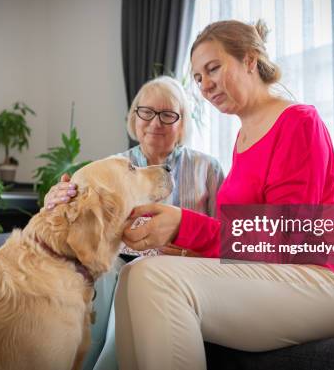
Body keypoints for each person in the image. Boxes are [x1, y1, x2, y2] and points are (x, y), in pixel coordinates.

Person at [115, 20, 334, 370]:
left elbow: (289, 238)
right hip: (285, 275)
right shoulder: (242, 139)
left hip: (333, 279)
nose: (205, 85)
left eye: (213, 68)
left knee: (156, 279)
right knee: (133, 275)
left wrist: (184, 225)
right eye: (197, 78)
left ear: (251, 60)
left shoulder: (299, 121)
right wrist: (184, 249)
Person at [44, 75, 224, 369]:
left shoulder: (208, 168)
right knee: (95, 297)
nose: (155, 123)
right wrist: (56, 198)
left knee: (123, 321)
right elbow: (81, 216)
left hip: (177, 269)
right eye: (146, 112)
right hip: (118, 262)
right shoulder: (112, 166)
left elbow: (226, 236)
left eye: (168, 114)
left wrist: (190, 252)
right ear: (134, 117)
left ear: (182, 123)